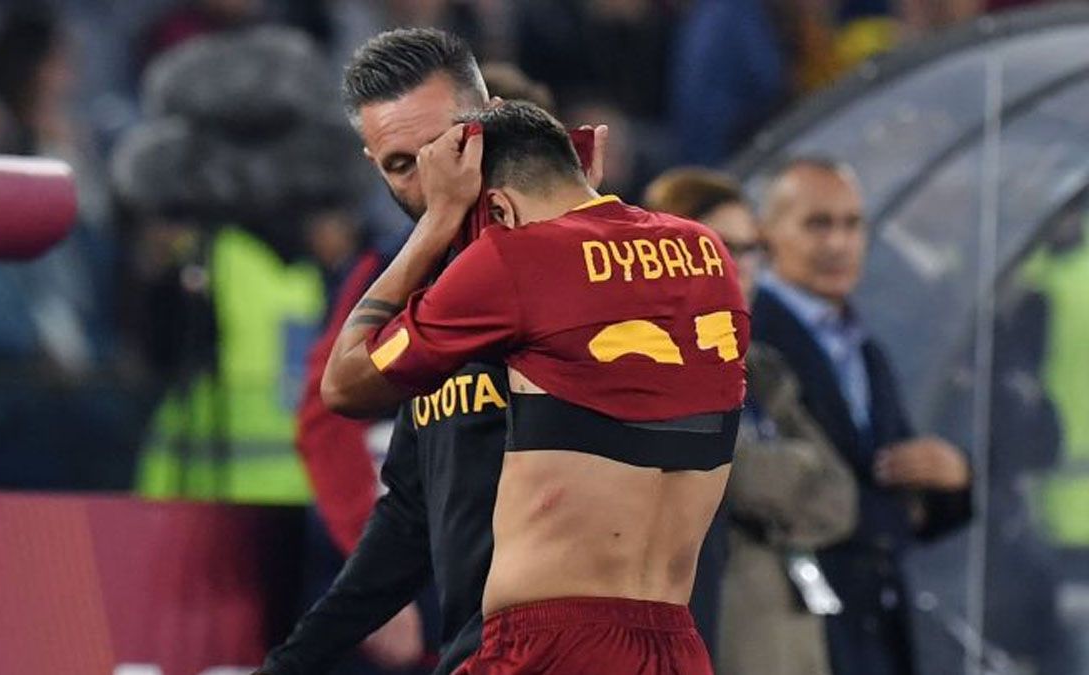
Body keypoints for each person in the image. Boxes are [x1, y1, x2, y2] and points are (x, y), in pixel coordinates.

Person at [322, 101, 746, 674]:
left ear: (498, 207)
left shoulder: (516, 258)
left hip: (547, 648)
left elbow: (345, 383)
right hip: (677, 644)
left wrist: (436, 222)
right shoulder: (707, 252)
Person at [257, 28, 606, 675]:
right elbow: (345, 433)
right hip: (449, 612)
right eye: (400, 165)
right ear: (372, 163)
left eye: (446, 147)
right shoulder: (389, 276)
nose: (430, 181)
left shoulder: (601, 263)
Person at [751, 157, 972, 675]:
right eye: (817, 223)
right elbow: (788, 490)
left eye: (852, 225)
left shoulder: (864, 345)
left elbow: (892, 476)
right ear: (767, 234)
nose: (838, 243)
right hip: (792, 625)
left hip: (871, 624)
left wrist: (951, 479)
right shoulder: (751, 335)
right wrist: (890, 510)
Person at [646, 167, 858, 675]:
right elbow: (734, 472)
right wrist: (794, 470)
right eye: (723, 247)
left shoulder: (763, 369)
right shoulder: (653, 361)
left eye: (751, 249)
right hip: (714, 633)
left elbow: (840, 498)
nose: (740, 266)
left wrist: (770, 483)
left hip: (790, 640)